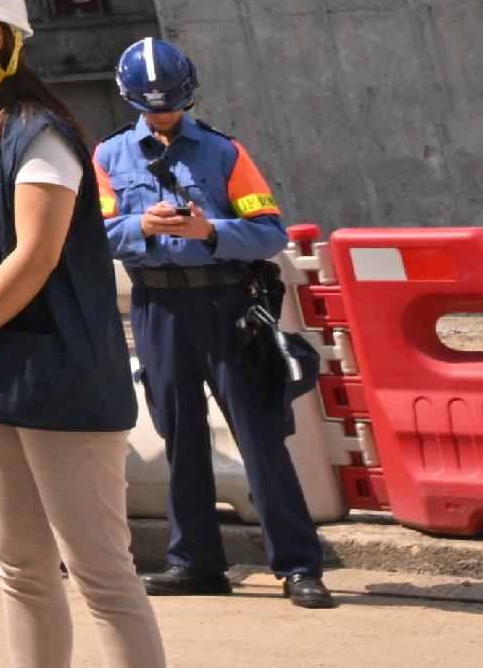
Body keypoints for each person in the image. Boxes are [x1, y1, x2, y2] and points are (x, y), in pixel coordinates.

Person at [0, 0, 166, 668]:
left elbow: (36, 252)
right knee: (20, 566)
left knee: (101, 573)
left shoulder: (41, 130)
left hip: (60, 376)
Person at [100, 40, 332, 609]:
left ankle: (299, 565)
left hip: (225, 307)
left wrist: (210, 232)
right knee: (181, 436)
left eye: (173, 103)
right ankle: (195, 561)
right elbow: (91, 234)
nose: (163, 113)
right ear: (129, 100)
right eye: (152, 106)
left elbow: (270, 230)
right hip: (157, 309)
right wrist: (142, 226)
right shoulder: (105, 158)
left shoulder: (227, 153)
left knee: (259, 435)